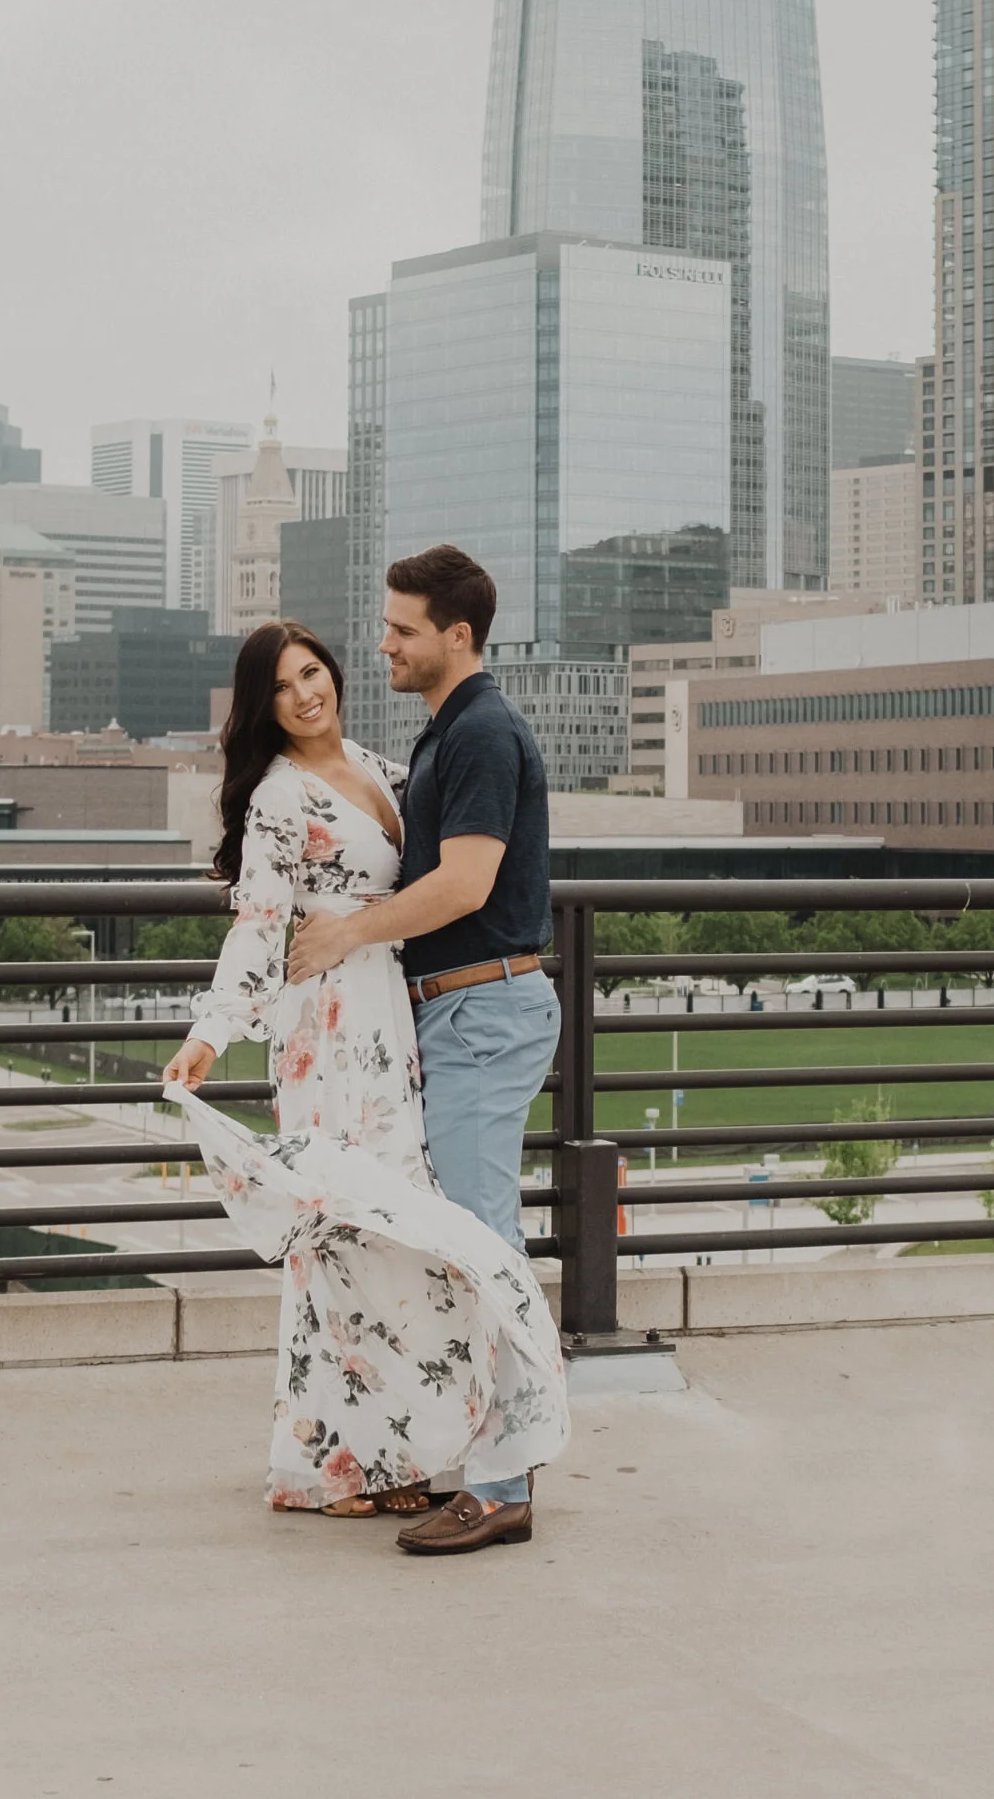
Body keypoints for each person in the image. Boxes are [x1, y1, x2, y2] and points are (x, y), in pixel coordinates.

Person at [162, 618, 566, 1546]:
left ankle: (400, 1450)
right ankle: (325, 1462)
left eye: (313, 673)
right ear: (263, 710)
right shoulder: (277, 797)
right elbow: (259, 926)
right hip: (329, 1032)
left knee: (401, 1241)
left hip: (396, 1018)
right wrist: (212, 1034)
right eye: (283, 688)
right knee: (343, 1233)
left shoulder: (386, 771)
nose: (307, 694)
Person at [283, 544, 560, 1556]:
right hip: (456, 1013)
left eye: (402, 629)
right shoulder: (445, 737)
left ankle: (498, 1485)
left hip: (485, 1011)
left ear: (457, 634)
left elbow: (466, 884)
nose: (384, 643)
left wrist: (345, 934)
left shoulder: (482, 732)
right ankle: (480, 1458)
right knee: (462, 1242)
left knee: (484, 1245)